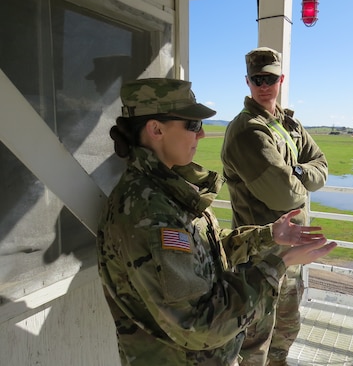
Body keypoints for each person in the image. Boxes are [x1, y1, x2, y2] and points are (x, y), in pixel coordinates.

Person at [96, 78, 336, 365]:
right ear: (156, 129)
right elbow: (199, 326)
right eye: (193, 125)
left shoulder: (166, 188)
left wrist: (268, 236)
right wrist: (278, 265)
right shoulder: (149, 212)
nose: (202, 135)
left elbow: (205, 250)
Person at [220, 47, 329, 366]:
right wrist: (301, 179)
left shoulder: (287, 125)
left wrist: (296, 171)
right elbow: (287, 197)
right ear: (247, 81)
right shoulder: (248, 131)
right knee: (256, 343)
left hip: (290, 254)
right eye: (257, 78)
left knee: (285, 331)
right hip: (260, 256)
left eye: (269, 77)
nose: (263, 84)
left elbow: (321, 165)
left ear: (281, 79)